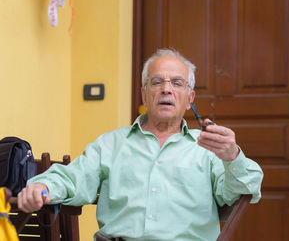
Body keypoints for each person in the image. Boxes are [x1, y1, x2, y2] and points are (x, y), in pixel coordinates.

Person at [17, 48, 263, 241]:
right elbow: (73, 178)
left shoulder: (208, 149)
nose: (166, 89)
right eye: (157, 82)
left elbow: (245, 189)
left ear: (190, 99)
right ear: (144, 95)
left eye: (177, 83)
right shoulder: (111, 143)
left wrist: (232, 155)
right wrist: (42, 188)